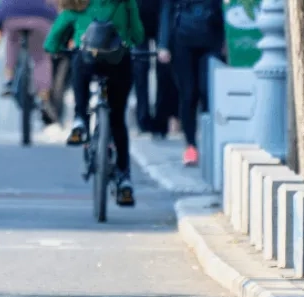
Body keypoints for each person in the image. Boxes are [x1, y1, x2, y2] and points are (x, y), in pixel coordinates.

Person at [44, 0, 144, 206]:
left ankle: (80, 120)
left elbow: (51, 42)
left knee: (78, 59)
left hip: (88, 63)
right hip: (119, 64)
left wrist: (62, 48)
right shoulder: (126, 3)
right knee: (117, 120)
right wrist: (127, 40)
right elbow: (139, 35)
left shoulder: (77, 2)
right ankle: (124, 180)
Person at [158, 0, 225, 166]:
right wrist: (163, 44)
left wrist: (227, 40)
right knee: (188, 94)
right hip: (182, 41)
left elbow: (226, 8)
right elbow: (167, 10)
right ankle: (191, 146)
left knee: (207, 91)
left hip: (211, 39)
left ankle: (213, 144)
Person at [0, 0, 59, 123]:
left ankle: (9, 79)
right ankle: (43, 96)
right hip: (41, 16)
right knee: (41, 58)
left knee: (12, 42)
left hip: (12, 15)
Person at [132, 0, 179, 140]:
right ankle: (143, 119)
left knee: (164, 67)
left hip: (161, 15)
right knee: (139, 67)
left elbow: (166, 11)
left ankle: (161, 120)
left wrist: (163, 44)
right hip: (137, 17)